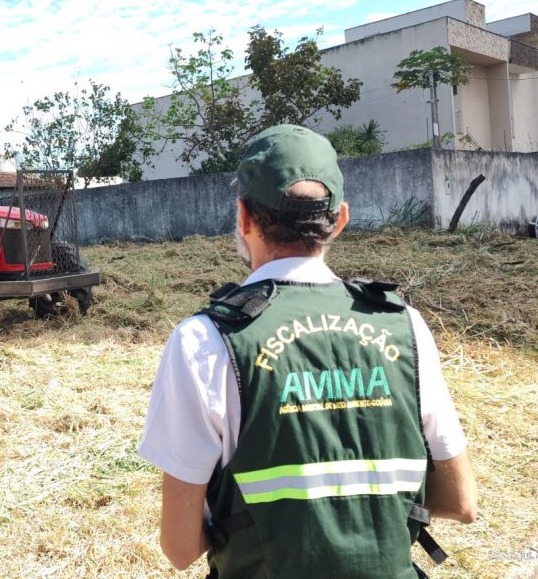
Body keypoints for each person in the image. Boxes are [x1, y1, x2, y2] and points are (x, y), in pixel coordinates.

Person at [138, 124, 477, 578]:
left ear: (243, 218)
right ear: (339, 220)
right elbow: (460, 502)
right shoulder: (402, 324)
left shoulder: (204, 341)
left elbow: (180, 547)